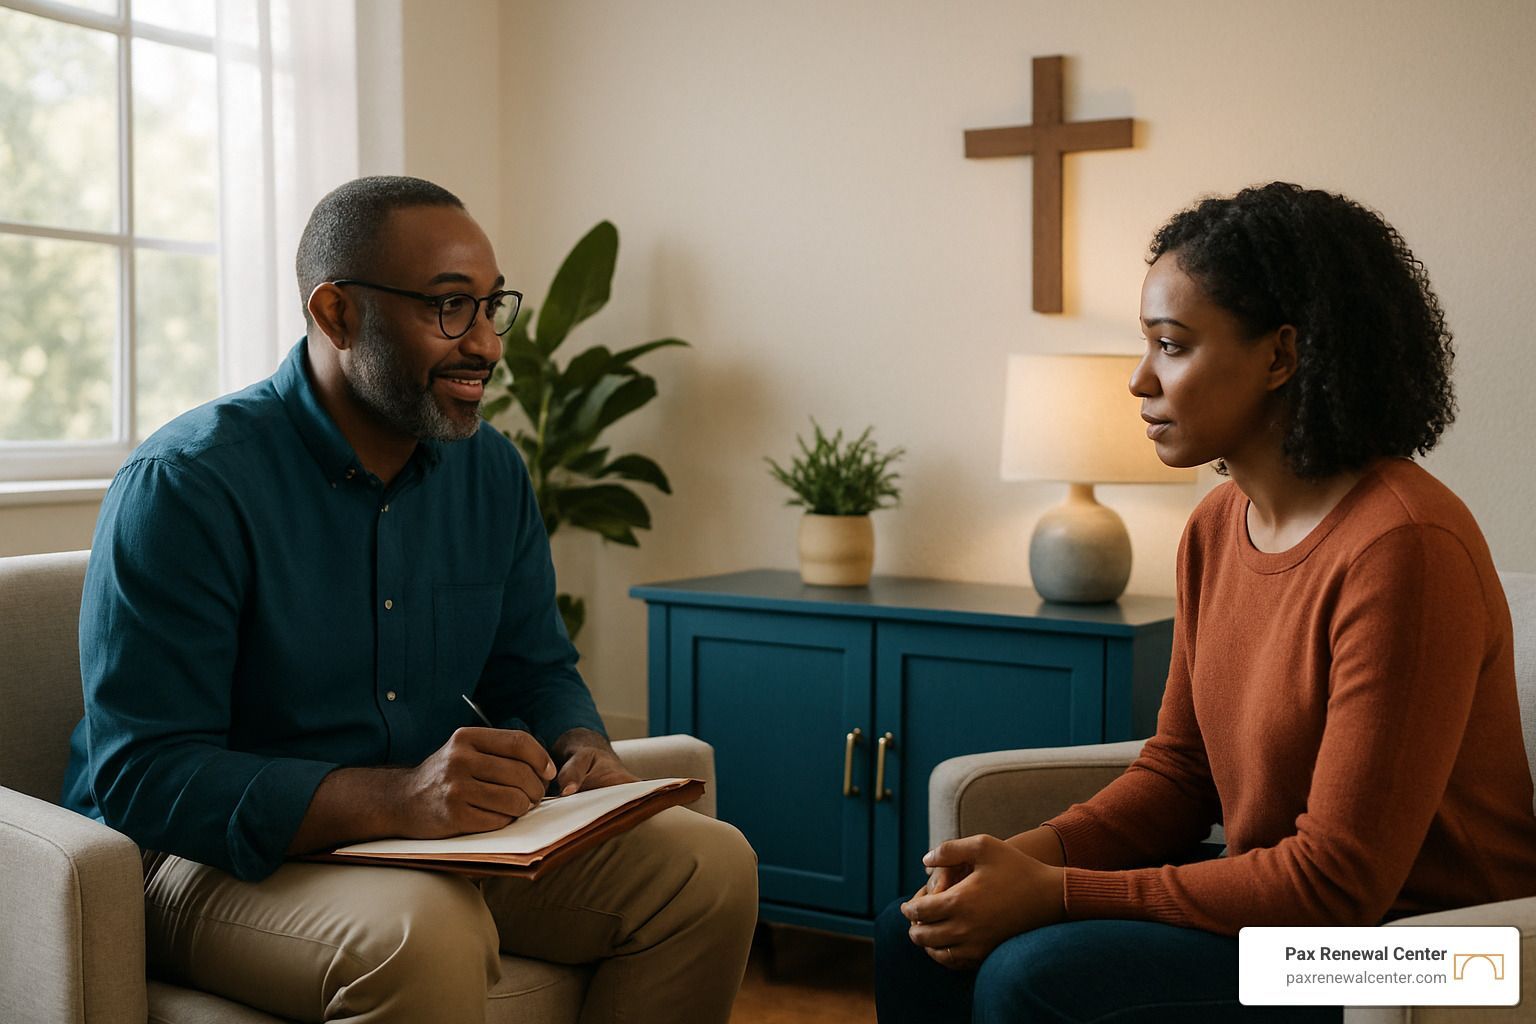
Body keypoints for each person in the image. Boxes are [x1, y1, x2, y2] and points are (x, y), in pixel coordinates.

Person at [62, 175, 758, 1024]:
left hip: (419, 839)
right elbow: (146, 776)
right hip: (200, 860)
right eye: (447, 307)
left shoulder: (491, 472)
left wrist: (580, 747)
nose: (488, 347)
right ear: (336, 314)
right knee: (423, 934)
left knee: (709, 869)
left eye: (491, 305)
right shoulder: (187, 485)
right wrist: (400, 799)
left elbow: (533, 666)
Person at [873, 181, 1536, 1022]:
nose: (1140, 378)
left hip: (1435, 952)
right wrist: (1017, 863)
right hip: (1290, 927)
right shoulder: (1218, 524)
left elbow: (1339, 884)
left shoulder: (1405, 547)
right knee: (914, 938)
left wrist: (1058, 893)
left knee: (1033, 975)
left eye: (1172, 344)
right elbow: (1180, 774)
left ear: (1280, 357)